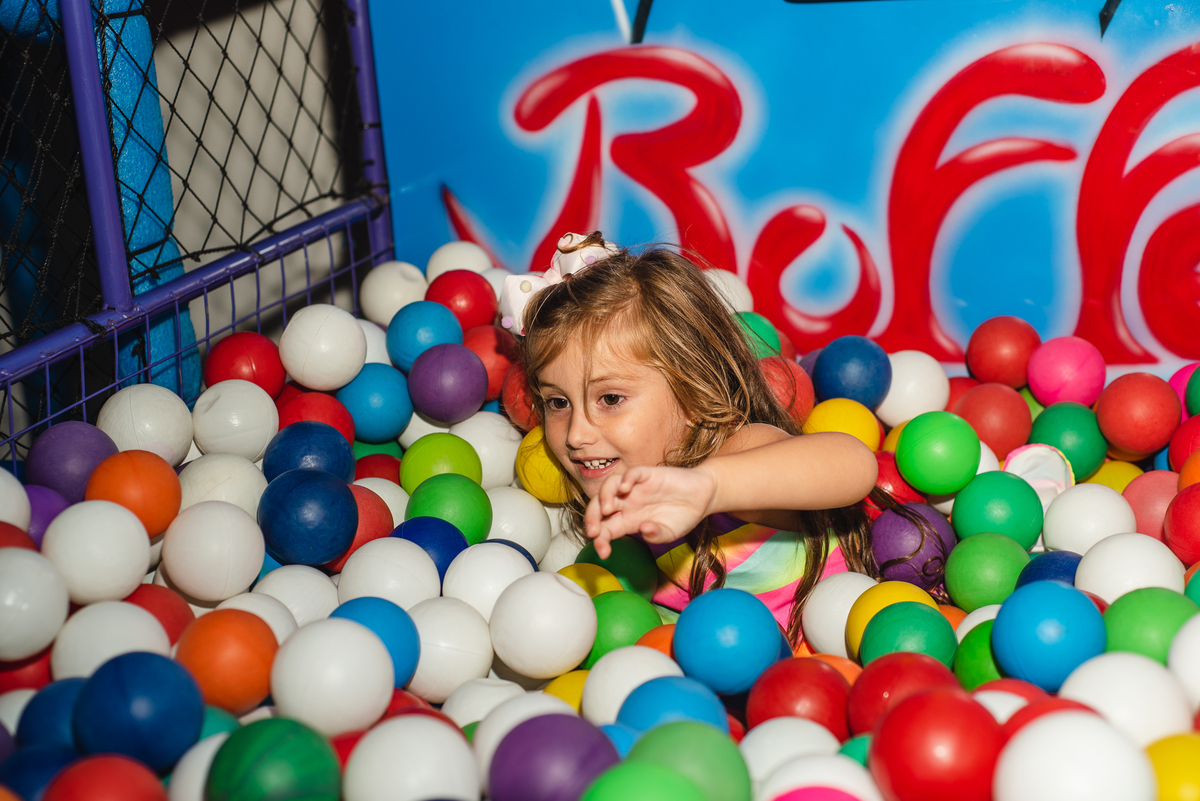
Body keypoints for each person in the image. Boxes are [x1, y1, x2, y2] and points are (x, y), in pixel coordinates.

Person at [500, 231, 934, 644]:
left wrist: (710, 486)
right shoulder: (606, 496)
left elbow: (851, 464)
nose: (576, 434)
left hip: (829, 656)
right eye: (558, 402)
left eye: (610, 399)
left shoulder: (733, 455)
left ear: (693, 392)